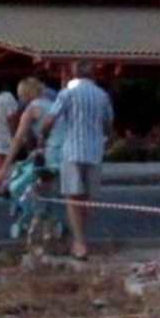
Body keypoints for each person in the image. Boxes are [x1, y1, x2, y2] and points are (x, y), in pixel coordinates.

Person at [42, 60, 115, 261]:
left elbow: (50, 119)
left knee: (73, 198)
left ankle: (80, 243)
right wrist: (104, 138)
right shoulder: (102, 96)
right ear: (93, 74)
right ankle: (81, 237)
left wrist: (43, 136)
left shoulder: (67, 94)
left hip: (72, 151)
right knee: (88, 198)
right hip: (95, 152)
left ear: (74, 73)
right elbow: (108, 123)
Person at [0, 76, 64, 184]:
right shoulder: (52, 104)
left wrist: (4, 167)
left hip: (51, 153)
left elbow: (18, 139)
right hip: (65, 152)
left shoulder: (31, 110)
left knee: (19, 181)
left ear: (25, 94)